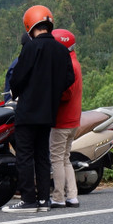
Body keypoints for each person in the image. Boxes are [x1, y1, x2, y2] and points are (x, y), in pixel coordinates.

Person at [4, 6, 75, 213]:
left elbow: (16, 79)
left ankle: (28, 200)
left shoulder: (31, 48)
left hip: (27, 112)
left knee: (24, 155)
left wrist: (19, 92)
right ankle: (44, 200)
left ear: (29, 25)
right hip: (48, 112)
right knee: (42, 155)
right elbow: (69, 78)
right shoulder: (62, 51)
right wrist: (51, 91)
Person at [48, 29, 82, 208]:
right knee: (65, 158)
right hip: (74, 119)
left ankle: (58, 196)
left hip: (62, 120)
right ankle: (72, 196)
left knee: (56, 159)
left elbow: (66, 94)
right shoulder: (74, 61)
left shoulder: (68, 66)